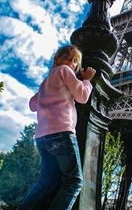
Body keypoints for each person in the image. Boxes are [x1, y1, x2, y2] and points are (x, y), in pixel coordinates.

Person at [18, 45, 96, 210]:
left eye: (76, 62)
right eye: (71, 60)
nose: (73, 64)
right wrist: (87, 80)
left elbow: (32, 105)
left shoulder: (46, 81)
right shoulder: (65, 71)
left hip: (42, 138)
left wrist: (46, 95)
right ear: (58, 60)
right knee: (74, 181)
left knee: (46, 182)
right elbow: (82, 96)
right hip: (62, 134)